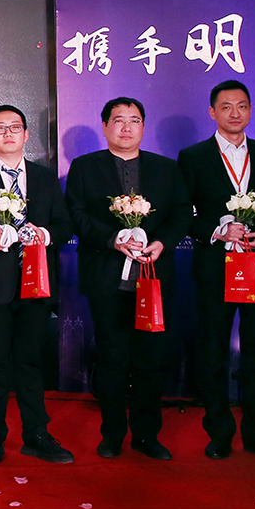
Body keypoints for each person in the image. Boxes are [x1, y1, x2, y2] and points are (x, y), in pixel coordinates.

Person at [176, 80, 255, 462]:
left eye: (242, 106)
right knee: (213, 351)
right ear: (212, 112)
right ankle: (219, 432)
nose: (234, 113)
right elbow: (181, 213)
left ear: (250, 111)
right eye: (226, 106)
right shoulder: (193, 156)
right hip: (215, 267)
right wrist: (216, 231)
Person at [64, 96, 191, 461]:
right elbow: (76, 214)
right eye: (118, 120)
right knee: (112, 358)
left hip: (153, 279)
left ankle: (147, 435)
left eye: (134, 120)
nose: (126, 127)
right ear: (105, 126)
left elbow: (182, 213)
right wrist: (113, 238)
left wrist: (162, 242)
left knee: (150, 360)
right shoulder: (85, 167)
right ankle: (113, 434)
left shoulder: (166, 168)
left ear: (143, 127)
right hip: (107, 278)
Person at [0, 104, 74, 466]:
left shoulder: (44, 177)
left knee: (31, 361)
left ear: (26, 134)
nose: (8, 134)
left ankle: (36, 434)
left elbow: (65, 225)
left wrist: (46, 235)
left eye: (15, 127)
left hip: (37, 284)